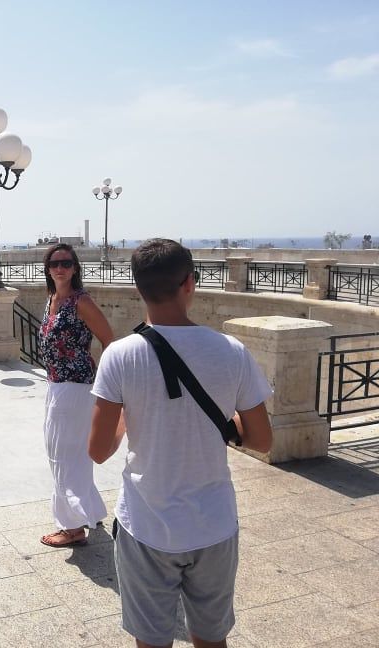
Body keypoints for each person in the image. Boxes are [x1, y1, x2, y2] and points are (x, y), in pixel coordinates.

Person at [89, 238, 273, 648]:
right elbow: (261, 440)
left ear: (137, 287)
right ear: (190, 282)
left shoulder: (119, 357)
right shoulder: (232, 352)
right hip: (214, 523)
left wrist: (128, 415)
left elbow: (99, 450)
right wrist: (227, 416)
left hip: (147, 523)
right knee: (211, 638)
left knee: (152, 641)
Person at [37, 243, 114, 547]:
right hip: (56, 385)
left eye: (67, 263)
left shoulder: (81, 302)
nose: (60, 268)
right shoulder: (52, 299)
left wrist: (108, 386)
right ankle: (88, 512)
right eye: (55, 263)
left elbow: (110, 342)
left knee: (63, 456)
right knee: (71, 454)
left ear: (75, 268)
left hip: (76, 387)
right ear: (48, 268)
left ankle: (72, 527)